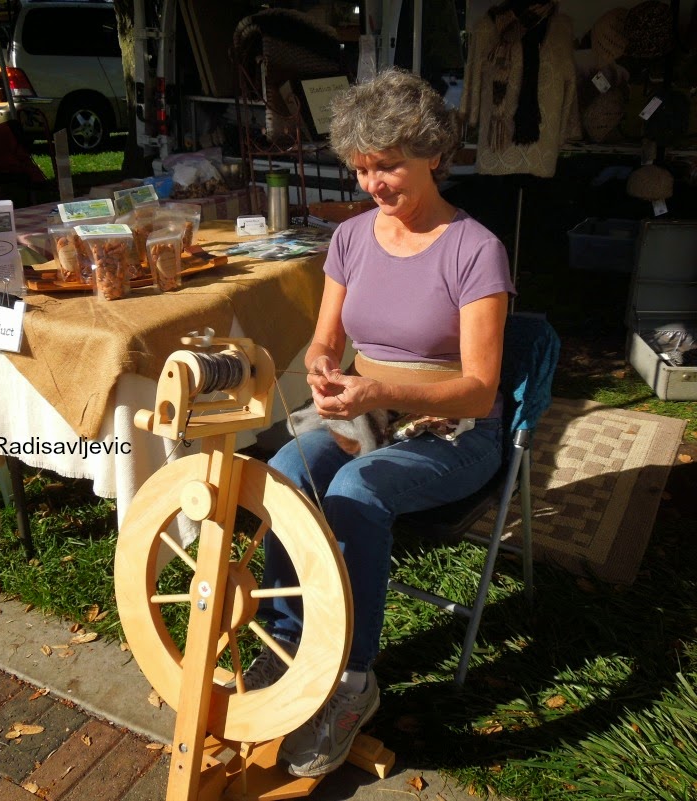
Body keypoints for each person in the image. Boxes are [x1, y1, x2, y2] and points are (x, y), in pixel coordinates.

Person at [247, 67, 515, 778]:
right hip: (369, 420)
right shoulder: (354, 238)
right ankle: (288, 643)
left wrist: (378, 392)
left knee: (356, 494)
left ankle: (351, 684)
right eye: (363, 168)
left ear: (434, 152)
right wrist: (324, 367)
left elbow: (481, 392)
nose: (374, 184)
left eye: (389, 165)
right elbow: (325, 338)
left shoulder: (476, 250)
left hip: (453, 434)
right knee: (282, 473)